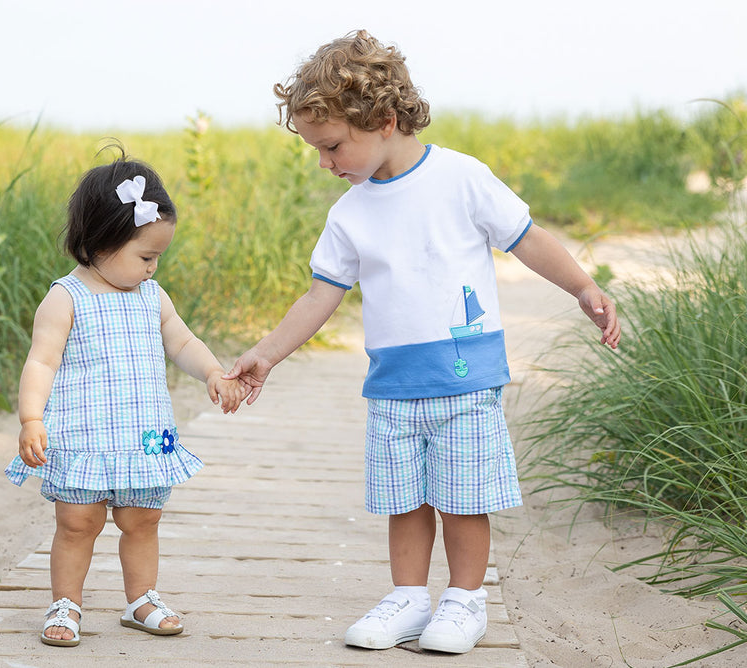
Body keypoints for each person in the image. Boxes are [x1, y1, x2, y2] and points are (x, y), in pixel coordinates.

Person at [224, 30, 622, 654]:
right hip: (393, 386)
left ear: (383, 120)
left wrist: (583, 287)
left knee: (463, 500)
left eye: (331, 147)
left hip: (467, 380)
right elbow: (320, 295)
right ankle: (408, 597)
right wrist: (267, 352)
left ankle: (465, 600)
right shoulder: (349, 214)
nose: (325, 163)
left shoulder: (462, 179)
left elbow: (526, 237)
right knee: (404, 500)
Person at [5, 156, 249, 647]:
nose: (153, 266)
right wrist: (32, 417)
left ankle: (141, 598)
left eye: (158, 256)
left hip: (142, 436)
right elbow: (41, 364)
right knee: (78, 522)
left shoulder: (152, 296)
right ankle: (66, 603)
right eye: (144, 256)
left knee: (143, 519)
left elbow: (181, 341)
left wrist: (213, 372)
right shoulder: (66, 298)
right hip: (85, 437)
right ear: (99, 243)